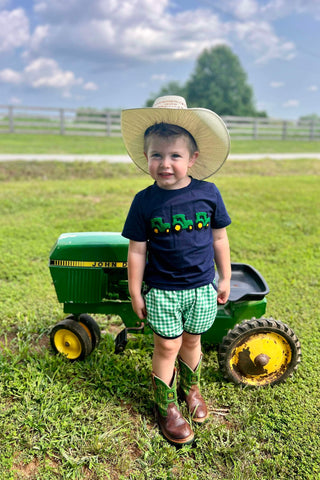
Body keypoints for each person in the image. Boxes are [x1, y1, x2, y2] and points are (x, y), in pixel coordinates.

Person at [121, 96, 231, 446]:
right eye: (157, 155)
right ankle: (165, 405)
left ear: (192, 158)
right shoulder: (144, 201)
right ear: (146, 158)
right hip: (164, 290)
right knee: (167, 346)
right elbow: (137, 249)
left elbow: (219, 238)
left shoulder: (208, 193)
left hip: (201, 287)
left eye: (175, 156)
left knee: (194, 340)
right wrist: (136, 291)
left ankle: (191, 389)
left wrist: (225, 276)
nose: (165, 164)